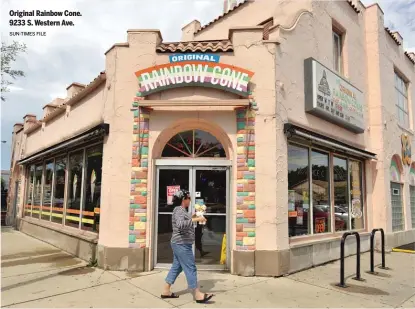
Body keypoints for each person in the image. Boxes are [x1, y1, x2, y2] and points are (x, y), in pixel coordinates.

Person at [161, 189, 214, 304]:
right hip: (181, 244)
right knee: (190, 267)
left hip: (179, 243)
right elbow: (180, 225)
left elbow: (186, 220)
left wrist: (195, 215)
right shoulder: (178, 210)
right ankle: (197, 294)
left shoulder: (181, 210)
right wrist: (196, 219)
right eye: (189, 198)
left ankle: (166, 290)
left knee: (177, 266)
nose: (190, 200)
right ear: (183, 199)